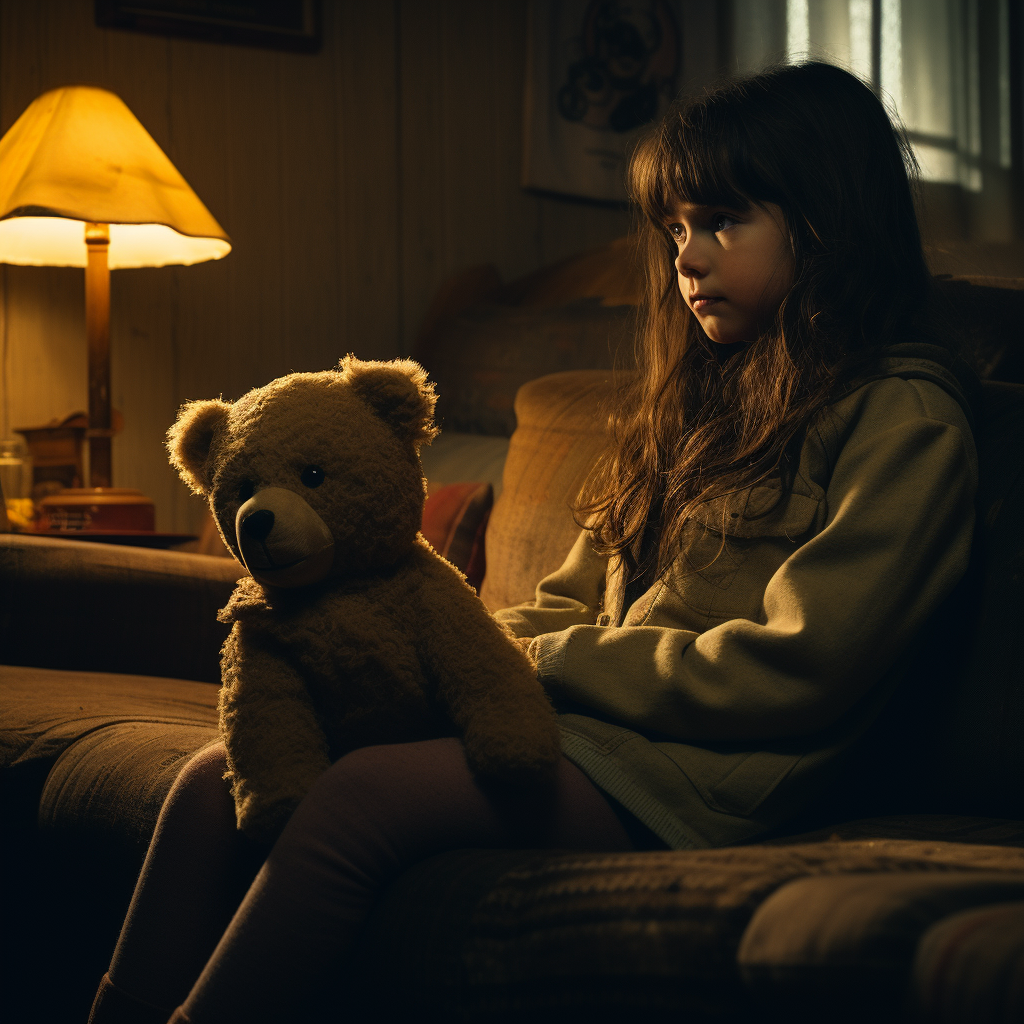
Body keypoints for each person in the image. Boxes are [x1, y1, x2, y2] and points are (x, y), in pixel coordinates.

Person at [87, 61, 977, 1024]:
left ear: (828, 220)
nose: (688, 256)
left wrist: (544, 662)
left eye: (723, 221)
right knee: (213, 777)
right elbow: (560, 601)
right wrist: (461, 660)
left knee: (361, 799)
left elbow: (805, 663)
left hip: (705, 781)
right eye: (675, 229)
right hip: (585, 736)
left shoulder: (904, 421)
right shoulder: (690, 412)